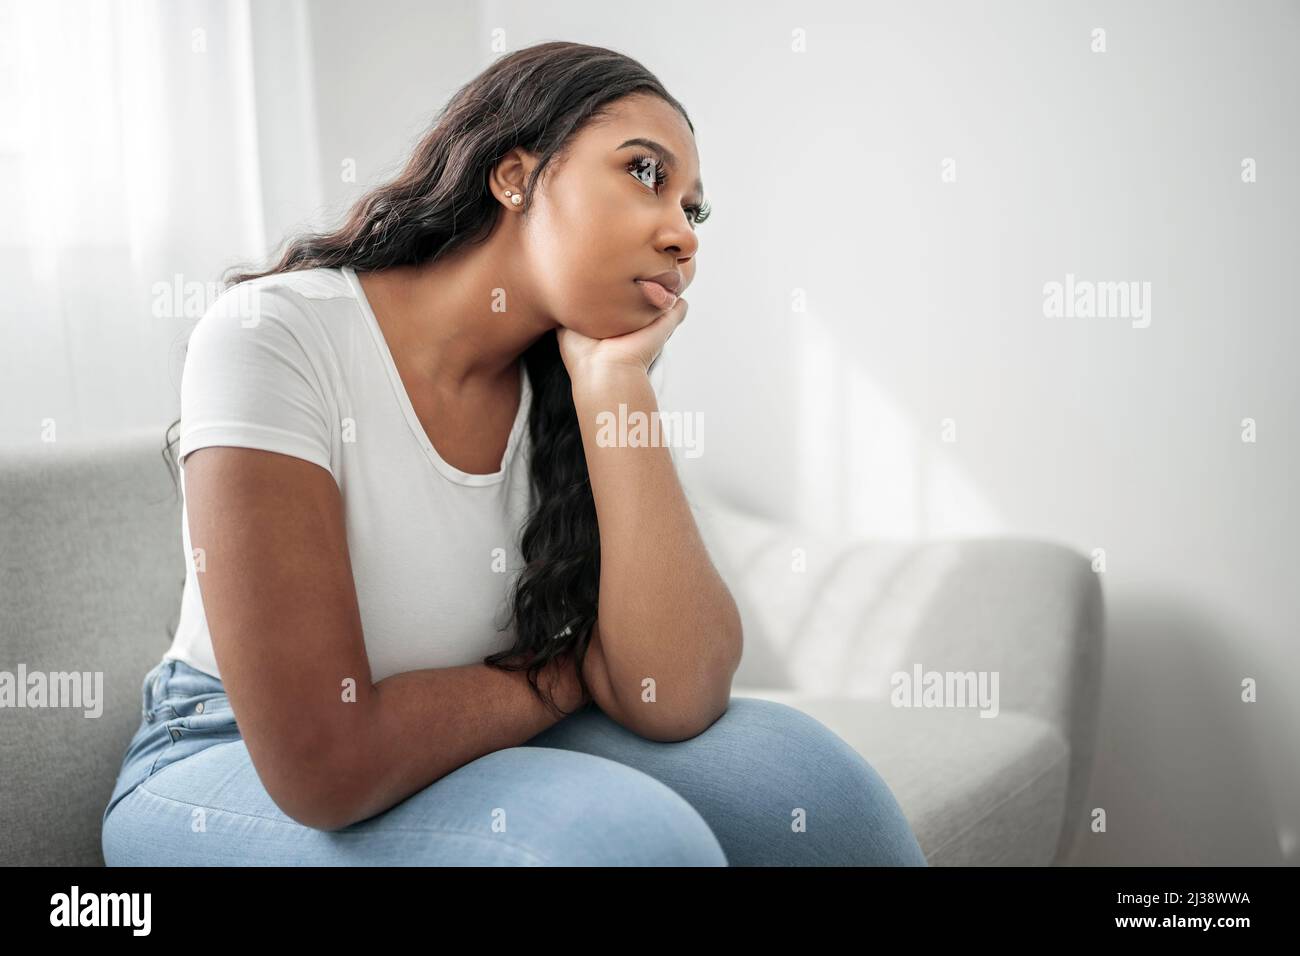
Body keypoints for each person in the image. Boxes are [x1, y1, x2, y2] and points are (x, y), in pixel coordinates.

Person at [102, 40, 928, 867]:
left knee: (813, 790)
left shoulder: (569, 384)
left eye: (694, 209)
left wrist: (615, 389)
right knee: (624, 839)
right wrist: (573, 671)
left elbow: (671, 695)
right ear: (514, 175)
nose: (683, 234)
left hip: (468, 736)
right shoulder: (276, 335)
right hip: (225, 758)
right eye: (647, 173)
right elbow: (327, 765)